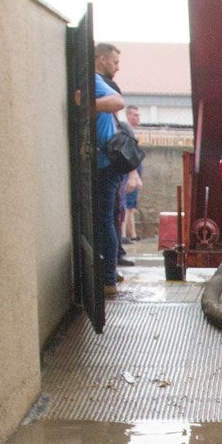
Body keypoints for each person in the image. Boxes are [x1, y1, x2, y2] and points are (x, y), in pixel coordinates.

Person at [93, 42, 126, 297]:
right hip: (109, 163)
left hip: (104, 164)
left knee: (105, 220)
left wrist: (86, 105)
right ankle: (110, 274)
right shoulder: (98, 80)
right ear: (102, 59)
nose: (117, 67)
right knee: (109, 220)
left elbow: (117, 102)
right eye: (114, 62)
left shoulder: (94, 80)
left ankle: (107, 280)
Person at [118, 105, 143, 263]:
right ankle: (124, 236)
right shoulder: (124, 129)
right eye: (135, 115)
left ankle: (130, 235)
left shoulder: (130, 131)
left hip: (133, 172)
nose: (138, 118)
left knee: (130, 206)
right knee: (124, 205)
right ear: (127, 116)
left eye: (138, 115)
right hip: (129, 173)